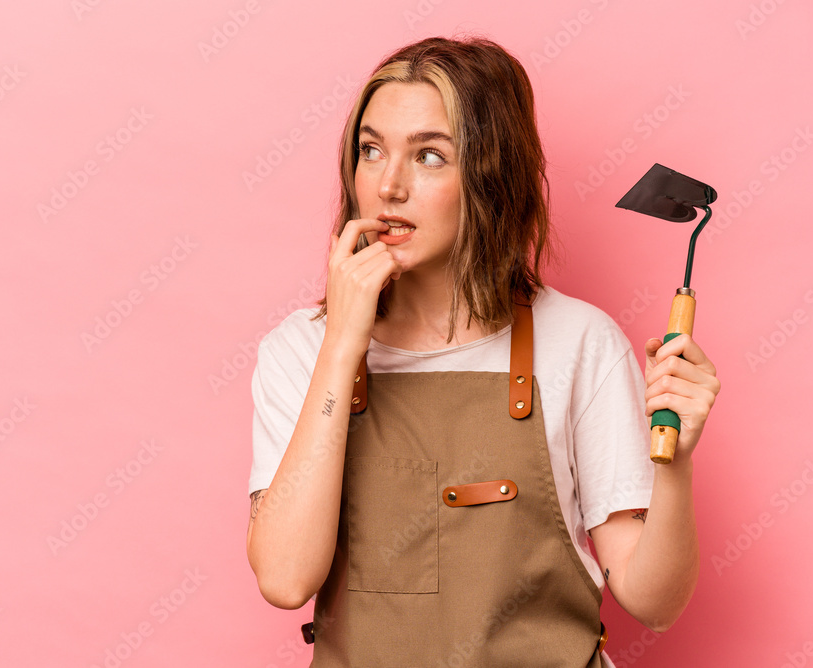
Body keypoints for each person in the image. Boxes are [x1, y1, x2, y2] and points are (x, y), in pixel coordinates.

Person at [246, 36, 720, 667]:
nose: (388, 185)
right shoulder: (299, 349)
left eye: (430, 156)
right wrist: (341, 347)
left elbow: (653, 601)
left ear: (492, 176)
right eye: (370, 150)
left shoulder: (579, 342)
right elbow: (284, 579)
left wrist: (677, 463)